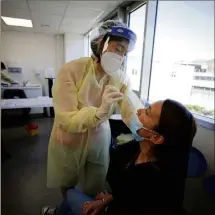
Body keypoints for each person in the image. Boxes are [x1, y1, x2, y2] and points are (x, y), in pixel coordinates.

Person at [44, 99, 197, 215]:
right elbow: (125, 192)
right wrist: (106, 199)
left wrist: (104, 204)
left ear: (156, 138)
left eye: (147, 113)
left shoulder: (152, 179)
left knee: (70, 195)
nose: (139, 111)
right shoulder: (140, 151)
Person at [47, 20, 138, 197]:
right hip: (69, 137)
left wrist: (143, 129)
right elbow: (65, 118)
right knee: (67, 181)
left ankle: (88, 207)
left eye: (125, 52)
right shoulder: (72, 70)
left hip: (98, 137)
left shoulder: (120, 78)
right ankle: (69, 205)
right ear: (101, 42)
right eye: (118, 48)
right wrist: (96, 114)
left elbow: (130, 107)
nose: (121, 57)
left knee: (95, 182)